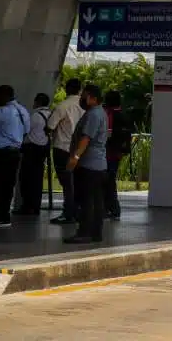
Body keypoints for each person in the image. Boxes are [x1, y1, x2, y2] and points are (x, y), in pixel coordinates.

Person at [64, 83, 108, 245]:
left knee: (86, 200)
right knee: (96, 201)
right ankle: (95, 232)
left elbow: (86, 138)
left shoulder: (93, 115)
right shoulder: (98, 113)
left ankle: (85, 232)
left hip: (89, 164)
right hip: (97, 165)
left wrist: (75, 156)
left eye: (85, 95)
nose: (82, 98)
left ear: (93, 98)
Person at [0, 85, 30, 228]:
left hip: (0, 153)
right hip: (15, 151)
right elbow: (26, 130)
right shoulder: (22, 111)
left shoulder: (3, 111)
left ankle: (2, 216)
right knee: (8, 185)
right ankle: (3, 214)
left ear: (4, 96)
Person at [47, 77, 84, 225]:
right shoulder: (85, 106)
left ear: (66, 89)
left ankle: (68, 213)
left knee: (66, 183)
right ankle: (77, 211)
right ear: (80, 90)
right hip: (80, 149)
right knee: (77, 181)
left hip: (62, 148)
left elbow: (49, 126)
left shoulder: (62, 106)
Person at [17, 93, 51, 217]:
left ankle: (27, 205)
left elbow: (25, 130)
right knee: (37, 178)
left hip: (31, 149)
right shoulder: (50, 114)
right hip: (43, 149)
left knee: (26, 179)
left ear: (37, 102)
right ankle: (35, 205)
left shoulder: (35, 116)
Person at [103, 91, 132, 220]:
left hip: (108, 153)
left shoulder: (109, 115)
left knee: (107, 181)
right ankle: (112, 208)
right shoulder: (124, 115)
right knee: (110, 180)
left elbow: (107, 134)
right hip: (117, 153)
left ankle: (112, 208)